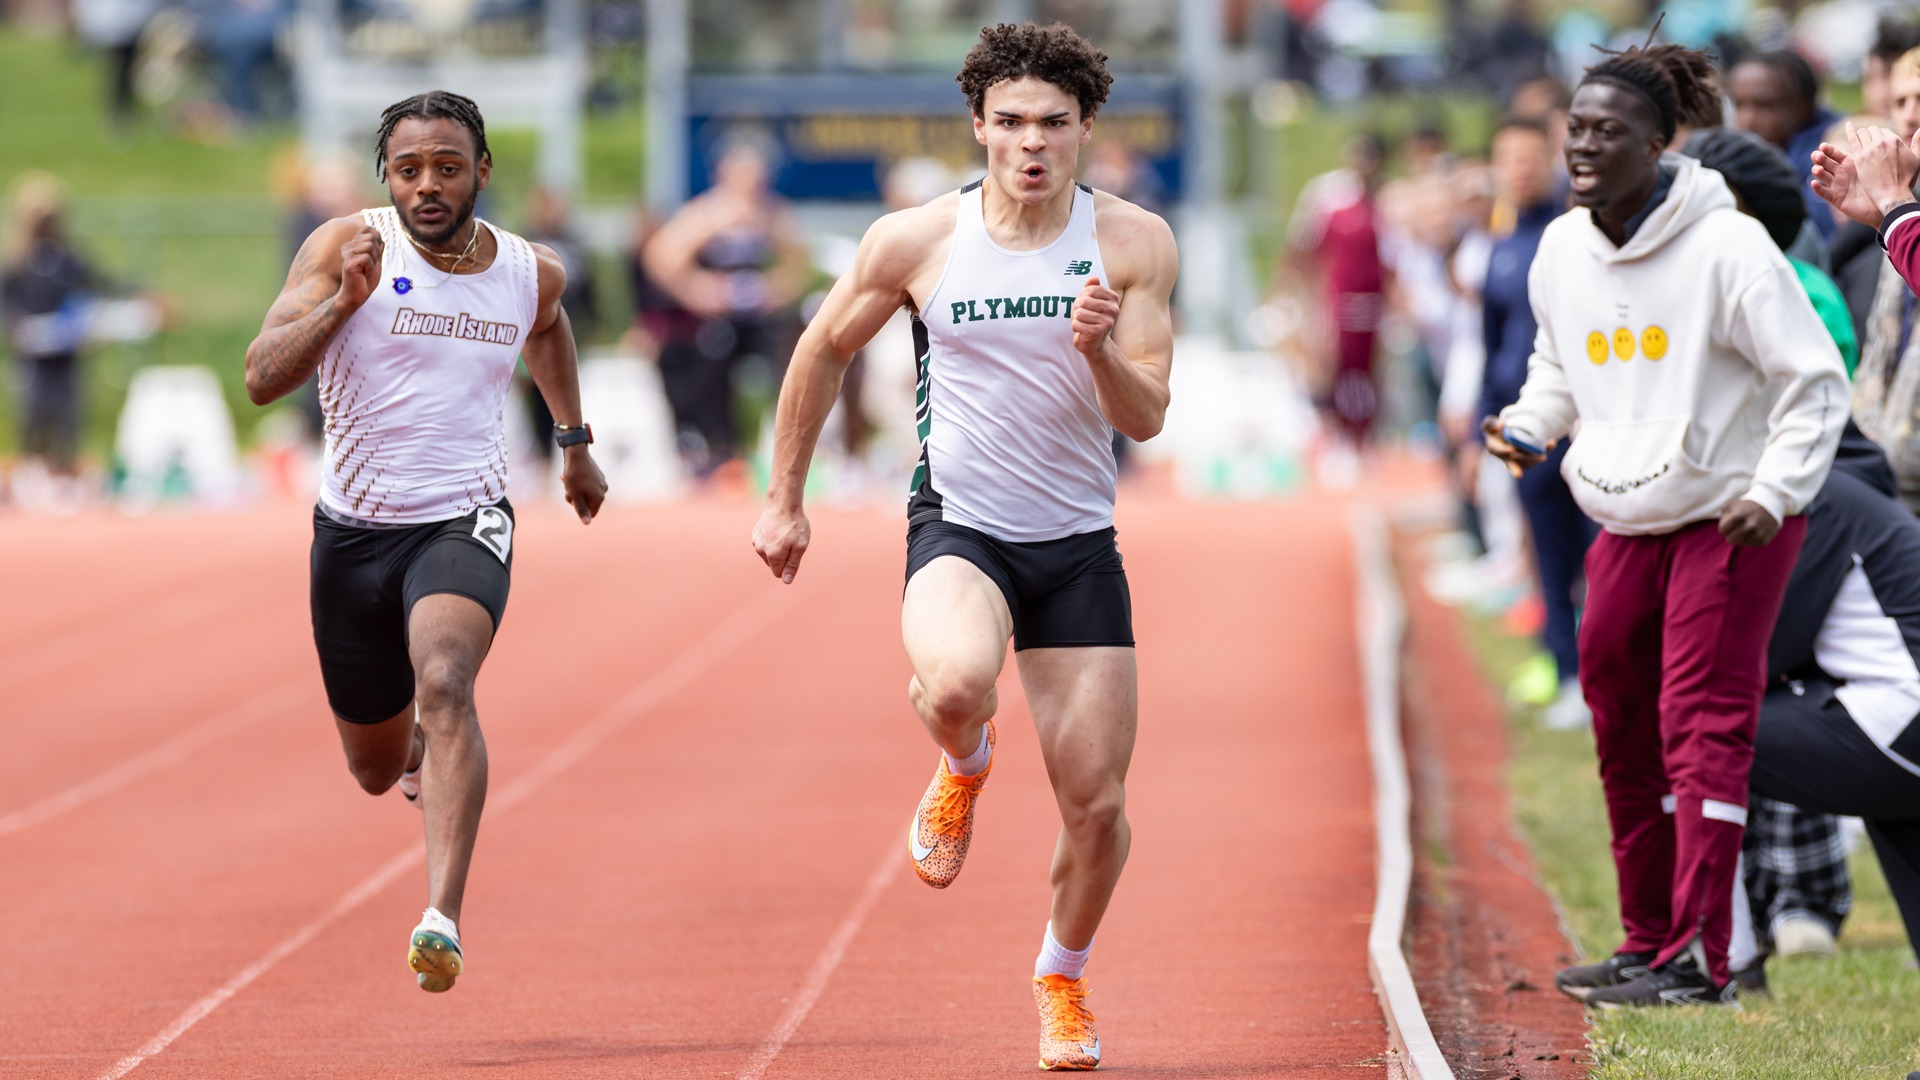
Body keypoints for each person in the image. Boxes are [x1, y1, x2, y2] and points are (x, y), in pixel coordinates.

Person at [750, 23, 1175, 1069]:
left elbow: (1147, 416)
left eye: (1054, 123)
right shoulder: (915, 241)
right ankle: (965, 762)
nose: (1032, 143)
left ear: (1085, 129)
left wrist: (1098, 352)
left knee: (1098, 806)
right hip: (962, 524)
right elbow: (821, 348)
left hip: (1077, 544)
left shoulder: (1133, 243)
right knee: (951, 687)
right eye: (1012, 122)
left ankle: (1060, 977)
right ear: (979, 126)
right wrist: (784, 498)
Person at [1484, 42, 1848, 1007]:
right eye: (1576, 129)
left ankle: (1704, 959)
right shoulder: (1563, 247)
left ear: (1659, 145)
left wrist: (1773, 491)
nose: (1583, 147)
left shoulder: (1730, 247)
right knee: (1617, 715)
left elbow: (1814, 381)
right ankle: (1648, 939)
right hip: (1625, 513)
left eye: (1609, 132)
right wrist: (1529, 426)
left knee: (1701, 724)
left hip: (1729, 519)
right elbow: (1559, 366)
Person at [242, 91, 607, 994]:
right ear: (387, 179)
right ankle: (411, 756)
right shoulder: (343, 246)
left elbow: (547, 325)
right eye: (408, 171)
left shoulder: (528, 269)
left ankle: (440, 916)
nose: (428, 186)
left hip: (463, 516)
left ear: (482, 171)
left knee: (445, 680)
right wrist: (343, 304)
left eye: (447, 167)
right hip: (352, 532)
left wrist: (573, 443)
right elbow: (259, 378)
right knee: (372, 768)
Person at [1680, 125, 1864, 965]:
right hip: (1717, 514)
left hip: (1791, 511)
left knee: (1775, 696)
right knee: (1722, 709)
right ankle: (1741, 909)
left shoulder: (1796, 290)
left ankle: (1802, 895)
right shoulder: (1685, 283)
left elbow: (1819, 407)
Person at [1737, 433, 1920, 995]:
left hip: (1901, 720)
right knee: (1892, 804)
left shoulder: (1821, 496)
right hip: (1897, 716)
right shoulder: (1850, 490)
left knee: (1695, 730)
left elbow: (1762, 653)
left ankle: (1719, 959)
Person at [1478, 116, 1599, 730]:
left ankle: (1604, 678)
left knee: (1599, 561)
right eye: (1510, 158)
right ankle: (1564, 671)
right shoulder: (1499, 248)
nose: (1521, 169)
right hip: (1526, 431)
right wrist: (1484, 424)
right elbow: (1491, 342)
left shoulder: (1574, 231)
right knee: (1547, 558)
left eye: (1531, 156)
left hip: (1582, 425)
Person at [642, 132, 810, 479]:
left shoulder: (772, 214)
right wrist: (698, 290)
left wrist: (773, 291)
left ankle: (781, 447)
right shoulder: (705, 213)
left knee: (790, 360)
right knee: (711, 365)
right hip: (717, 318)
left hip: (760, 317)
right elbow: (660, 258)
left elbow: (799, 267)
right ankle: (719, 448)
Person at [1285, 133, 1387, 486]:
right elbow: (1303, 247)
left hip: (1372, 303)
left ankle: (1363, 437)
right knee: (1335, 366)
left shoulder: (1383, 202)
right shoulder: (1329, 198)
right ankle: (1339, 436)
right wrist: (1295, 292)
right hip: (1336, 300)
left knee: (1368, 370)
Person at [2, 172, 103, 487]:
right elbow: (6, 303)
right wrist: (17, 326)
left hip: (65, 352)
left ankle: (64, 472)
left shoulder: (68, 261)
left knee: (67, 415)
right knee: (33, 414)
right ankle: (32, 470)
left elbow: (94, 288)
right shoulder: (17, 263)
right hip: (32, 355)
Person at [1728, 49, 1840, 242]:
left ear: (1804, 105)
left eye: (1764, 105)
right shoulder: (1738, 154)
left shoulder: (1829, 156)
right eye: (1739, 105)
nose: (1747, 120)